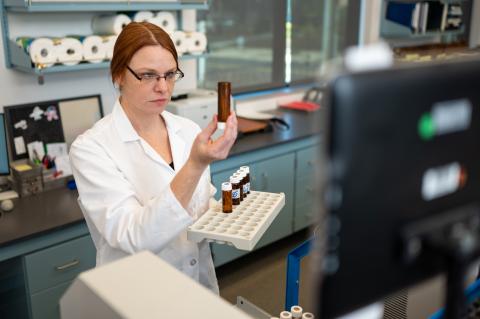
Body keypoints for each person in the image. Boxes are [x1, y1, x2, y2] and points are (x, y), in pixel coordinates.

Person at [69, 22, 237, 294]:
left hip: (197, 286)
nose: (162, 87)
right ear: (119, 75)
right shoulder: (91, 148)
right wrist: (195, 165)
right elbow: (135, 237)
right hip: (138, 294)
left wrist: (228, 215)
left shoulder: (188, 131)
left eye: (170, 74)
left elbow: (200, 204)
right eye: (148, 75)